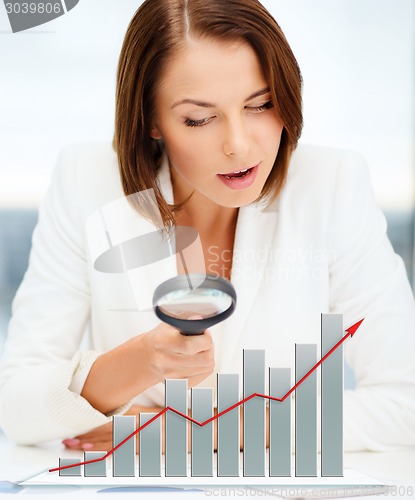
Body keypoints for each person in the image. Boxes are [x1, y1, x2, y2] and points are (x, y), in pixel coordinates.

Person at [0, 0, 414, 455]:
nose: (239, 145)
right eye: (198, 118)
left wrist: (195, 431)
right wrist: (141, 361)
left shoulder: (332, 185)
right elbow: (17, 405)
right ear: (151, 119)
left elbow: (405, 402)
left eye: (262, 104)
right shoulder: (85, 180)